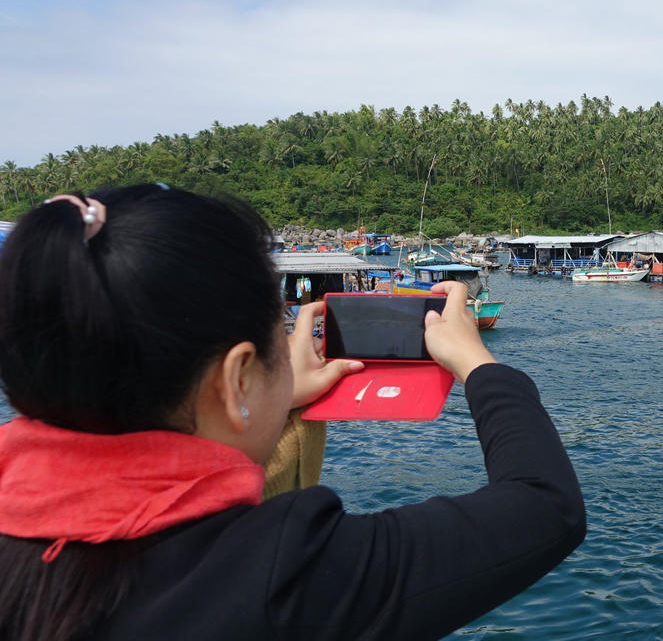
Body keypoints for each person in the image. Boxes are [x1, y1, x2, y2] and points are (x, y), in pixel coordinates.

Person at [0, 185, 585, 641]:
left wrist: (274, 405)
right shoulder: (282, 574)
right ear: (234, 380)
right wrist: (480, 366)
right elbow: (545, 505)